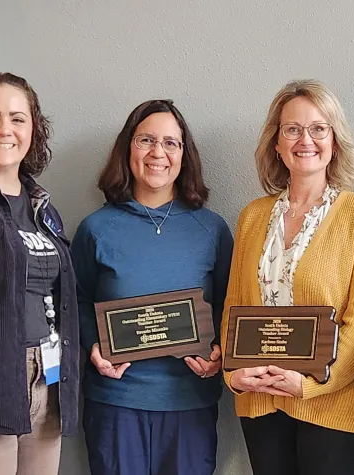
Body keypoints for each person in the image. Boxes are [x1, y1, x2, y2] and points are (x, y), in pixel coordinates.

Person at [221, 79, 354, 475]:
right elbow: (234, 309)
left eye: (318, 128)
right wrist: (234, 374)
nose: (305, 139)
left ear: (335, 141)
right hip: (261, 401)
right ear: (276, 144)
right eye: (292, 129)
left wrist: (311, 385)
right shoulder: (252, 217)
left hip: (333, 407)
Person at [71, 99, 233, 475]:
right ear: (128, 148)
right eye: (146, 140)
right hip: (116, 403)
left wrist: (221, 351)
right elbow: (75, 300)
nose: (158, 153)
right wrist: (93, 344)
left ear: (184, 155)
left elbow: (230, 301)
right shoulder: (97, 228)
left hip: (189, 403)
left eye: (170, 143)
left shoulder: (212, 229)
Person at [0, 72, 80, 475]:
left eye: (17, 118)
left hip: (50, 382)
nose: (5, 129)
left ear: (33, 129)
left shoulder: (43, 208)